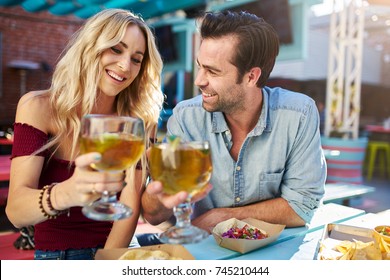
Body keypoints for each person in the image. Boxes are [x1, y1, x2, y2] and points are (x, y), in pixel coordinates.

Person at [139, 10, 326, 244]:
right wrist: (157, 196)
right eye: (200, 66)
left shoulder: (298, 114)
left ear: (251, 77)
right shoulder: (187, 118)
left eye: (213, 71)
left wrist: (223, 217)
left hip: (272, 252)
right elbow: (154, 216)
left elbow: (302, 207)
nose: (199, 80)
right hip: (203, 251)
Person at [5, 8, 164, 259]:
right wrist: (68, 192)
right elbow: (15, 211)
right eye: (116, 49)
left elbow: (130, 203)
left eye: (136, 58)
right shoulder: (38, 107)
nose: (125, 66)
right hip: (57, 256)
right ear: (91, 47)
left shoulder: (140, 120)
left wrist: (105, 264)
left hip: (118, 252)